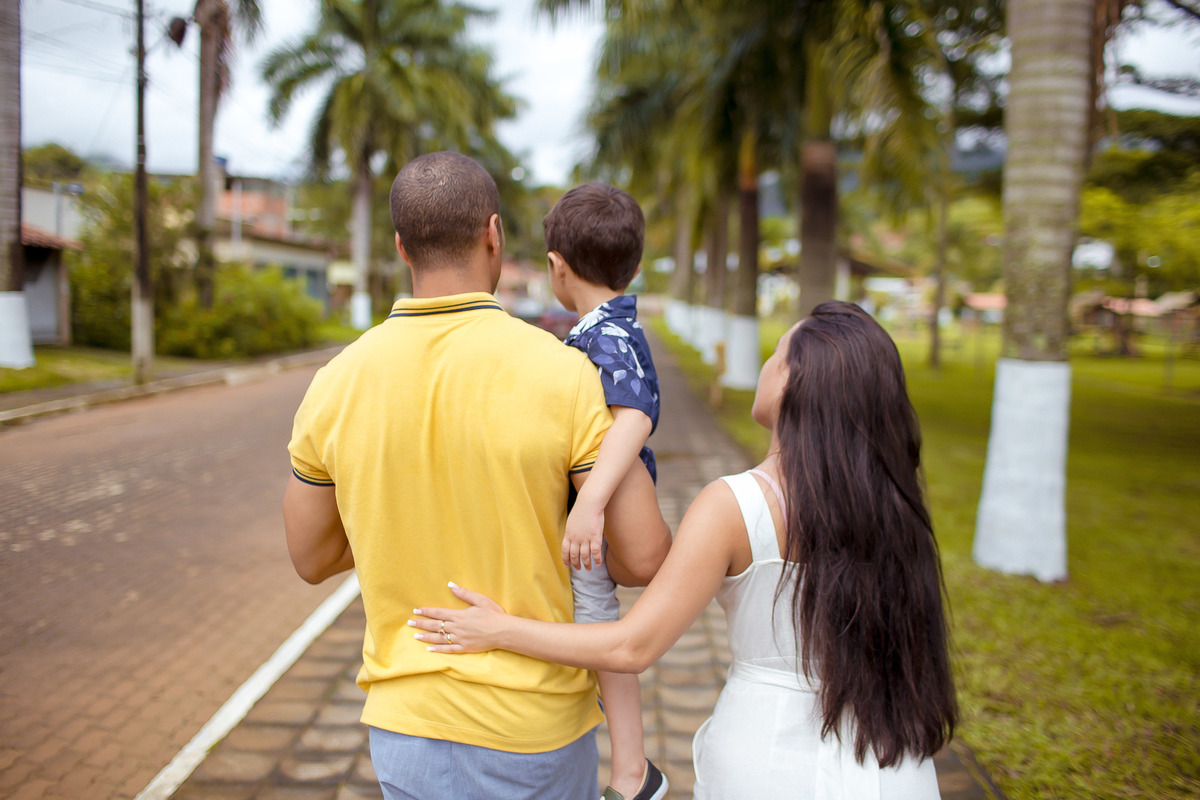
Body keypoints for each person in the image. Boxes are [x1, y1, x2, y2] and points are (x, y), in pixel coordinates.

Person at [410, 301, 959, 799]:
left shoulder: (734, 506)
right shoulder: (894, 508)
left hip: (769, 762)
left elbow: (633, 646)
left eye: (776, 355)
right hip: (895, 767)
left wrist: (497, 630)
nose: (766, 365)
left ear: (794, 383)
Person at [283, 151, 672, 800]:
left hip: (404, 731)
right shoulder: (563, 372)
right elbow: (640, 555)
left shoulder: (334, 385)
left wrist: (409, 512)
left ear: (402, 246)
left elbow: (311, 556)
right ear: (494, 234)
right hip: (533, 731)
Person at [545, 183, 666, 800]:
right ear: (636, 265)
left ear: (555, 267)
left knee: (599, 628)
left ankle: (631, 769)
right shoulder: (602, 329)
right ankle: (631, 769)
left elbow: (635, 416)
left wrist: (590, 505)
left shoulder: (608, 336)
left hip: (605, 506)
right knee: (594, 624)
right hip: (600, 505)